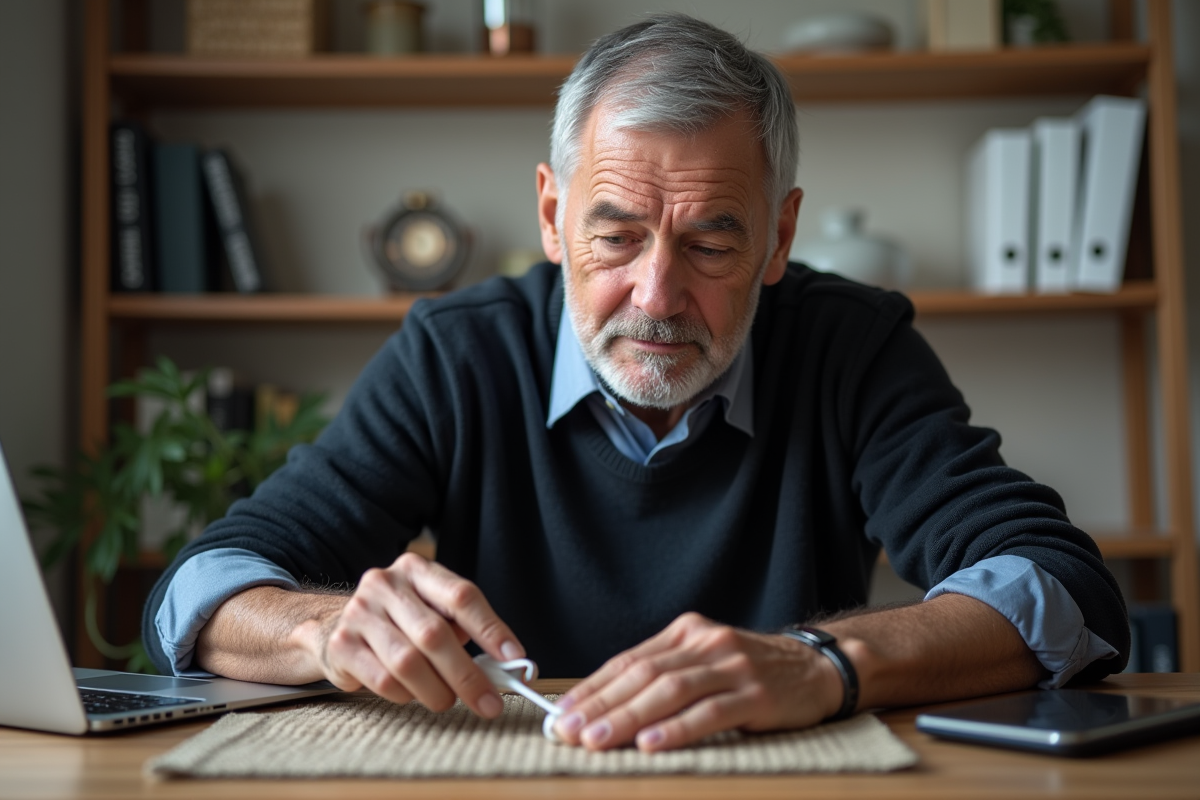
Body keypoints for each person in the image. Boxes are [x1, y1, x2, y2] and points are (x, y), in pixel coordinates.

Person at [144, 14, 1127, 753]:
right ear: (550, 211)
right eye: (613, 236)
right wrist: (323, 627)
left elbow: (1062, 585)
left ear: (779, 236)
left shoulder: (851, 347)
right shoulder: (457, 350)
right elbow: (204, 588)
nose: (655, 294)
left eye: (709, 240)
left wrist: (823, 660)